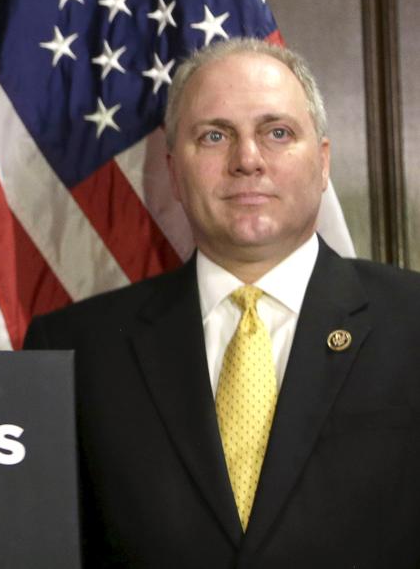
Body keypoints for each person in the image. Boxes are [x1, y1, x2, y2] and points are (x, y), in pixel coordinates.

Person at [25, 38, 420, 567]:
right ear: (173, 170)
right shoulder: (73, 349)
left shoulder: (412, 321)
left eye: (277, 133)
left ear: (323, 162)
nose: (247, 160)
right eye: (214, 136)